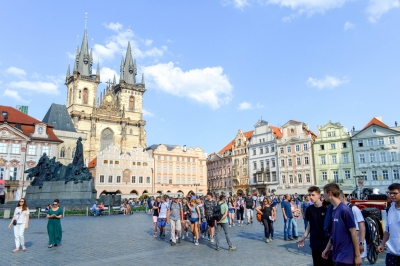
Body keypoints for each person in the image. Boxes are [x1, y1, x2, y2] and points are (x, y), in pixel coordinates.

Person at [321, 183, 361, 266]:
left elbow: (354, 233)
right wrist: (327, 248)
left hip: (346, 255)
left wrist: (357, 256)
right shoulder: (333, 209)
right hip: (337, 253)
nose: (323, 195)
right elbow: (333, 233)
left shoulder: (344, 210)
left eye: (324, 193)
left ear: (330, 193)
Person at [298, 186, 333, 266]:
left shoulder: (326, 208)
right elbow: (310, 225)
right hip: (314, 242)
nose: (311, 197)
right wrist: (303, 237)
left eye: (313, 195)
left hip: (325, 242)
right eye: (310, 195)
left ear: (319, 195)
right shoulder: (309, 209)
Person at [339, 190, 367, 261]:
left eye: (338, 198)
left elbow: (362, 226)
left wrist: (361, 242)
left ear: (343, 197)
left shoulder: (353, 208)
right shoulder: (338, 209)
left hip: (357, 240)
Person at [377, 183, 400, 265]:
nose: (392, 195)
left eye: (395, 193)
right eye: (390, 193)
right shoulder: (390, 209)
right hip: (391, 252)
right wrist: (382, 244)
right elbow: (387, 230)